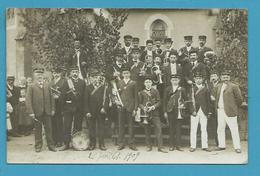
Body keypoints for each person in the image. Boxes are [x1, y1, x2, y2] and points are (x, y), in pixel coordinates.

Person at [26, 67, 56, 152]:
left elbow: (52, 98)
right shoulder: (31, 86)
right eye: (37, 74)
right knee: (38, 129)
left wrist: (53, 109)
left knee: (49, 129)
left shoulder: (47, 85)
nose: (39, 76)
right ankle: (38, 146)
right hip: (37, 112)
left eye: (41, 74)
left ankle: (51, 146)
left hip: (47, 111)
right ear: (35, 76)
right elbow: (28, 100)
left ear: (43, 75)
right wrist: (31, 112)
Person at [213, 70, 243, 153]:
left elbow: (239, 99)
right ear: (221, 78)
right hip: (220, 110)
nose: (225, 78)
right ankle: (221, 145)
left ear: (229, 78)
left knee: (234, 129)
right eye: (223, 77)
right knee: (220, 129)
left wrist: (233, 107)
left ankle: (237, 147)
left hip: (230, 111)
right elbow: (215, 97)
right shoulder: (218, 86)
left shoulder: (234, 86)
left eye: (227, 77)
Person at [138, 76, 167, 153]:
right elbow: (139, 103)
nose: (148, 84)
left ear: (152, 83)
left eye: (149, 82)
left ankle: (160, 147)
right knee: (147, 130)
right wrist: (143, 107)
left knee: (158, 129)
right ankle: (148, 146)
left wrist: (153, 107)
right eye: (146, 82)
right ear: (144, 83)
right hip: (145, 114)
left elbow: (159, 102)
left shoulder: (155, 91)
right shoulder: (141, 92)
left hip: (154, 113)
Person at [85, 69, 109, 151]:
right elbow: (85, 101)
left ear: (99, 78)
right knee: (91, 129)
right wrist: (87, 111)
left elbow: (106, 99)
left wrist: (104, 108)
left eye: (96, 77)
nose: (95, 79)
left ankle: (101, 144)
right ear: (91, 78)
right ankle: (92, 144)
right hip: (91, 112)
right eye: (93, 77)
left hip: (101, 111)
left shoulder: (103, 88)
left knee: (101, 128)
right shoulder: (88, 88)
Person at [62, 66, 86, 150]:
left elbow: (84, 96)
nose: (75, 73)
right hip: (68, 108)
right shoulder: (66, 82)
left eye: (76, 71)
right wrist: (64, 107)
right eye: (73, 72)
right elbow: (62, 95)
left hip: (79, 108)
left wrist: (83, 108)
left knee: (78, 126)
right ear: (70, 73)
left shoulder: (82, 82)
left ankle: (76, 143)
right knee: (67, 126)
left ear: (78, 72)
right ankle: (66, 144)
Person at [116, 65, 138, 151]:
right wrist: (117, 102)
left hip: (130, 107)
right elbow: (117, 95)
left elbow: (136, 97)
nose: (126, 74)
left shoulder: (133, 83)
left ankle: (131, 143)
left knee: (131, 126)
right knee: (121, 125)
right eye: (124, 73)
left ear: (130, 74)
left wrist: (135, 108)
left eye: (127, 73)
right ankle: (121, 143)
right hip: (121, 107)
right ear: (122, 74)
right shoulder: (119, 83)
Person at [189, 72, 212, 152]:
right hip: (195, 112)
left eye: (200, 78)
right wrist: (192, 111)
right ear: (194, 79)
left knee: (204, 129)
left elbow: (208, 101)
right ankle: (193, 146)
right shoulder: (191, 89)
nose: (198, 80)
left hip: (204, 111)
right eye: (196, 78)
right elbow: (189, 102)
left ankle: (205, 146)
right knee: (193, 129)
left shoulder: (206, 89)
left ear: (202, 80)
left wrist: (209, 112)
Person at [163, 74, 186, 151]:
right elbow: (164, 101)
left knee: (178, 129)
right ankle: (171, 145)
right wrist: (165, 111)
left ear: (179, 81)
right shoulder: (167, 89)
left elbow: (185, 100)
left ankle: (178, 145)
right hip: (170, 111)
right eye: (173, 80)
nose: (175, 81)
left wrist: (183, 105)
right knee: (171, 129)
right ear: (171, 81)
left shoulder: (182, 89)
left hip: (179, 111)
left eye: (176, 80)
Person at [50, 67, 66, 148]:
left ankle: (60, 140)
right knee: (53, 123)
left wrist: (59, 97)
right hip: (52, 105)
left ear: (60, 73)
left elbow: (66, 93)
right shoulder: (51, 82)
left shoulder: (64, 81)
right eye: (54, 73)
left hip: (60, 105)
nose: (55, 74)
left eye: (57, 73)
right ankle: (55, 140)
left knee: (59, 123)